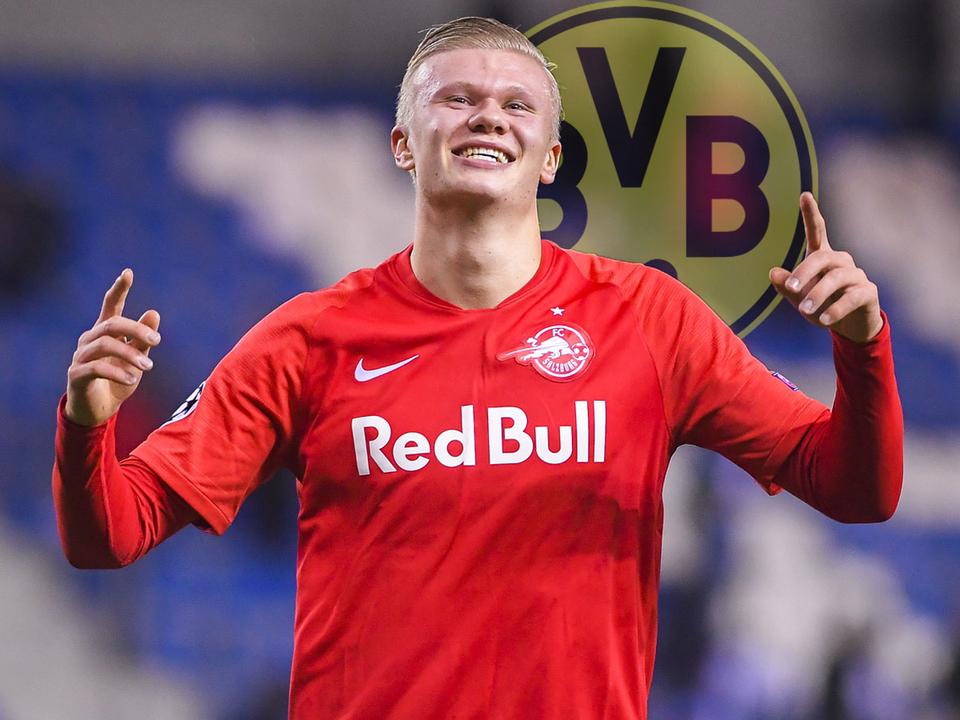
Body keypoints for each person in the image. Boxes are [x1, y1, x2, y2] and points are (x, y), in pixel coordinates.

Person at [52, 16, 903, 720]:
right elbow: (109, 537)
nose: (487, 117)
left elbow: (857, 491)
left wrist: (863, 351)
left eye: (515, 104)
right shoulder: (307, 340)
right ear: (402, 144)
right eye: (456, 98)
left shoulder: (651, 320)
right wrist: (87, 424)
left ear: (551, 157)